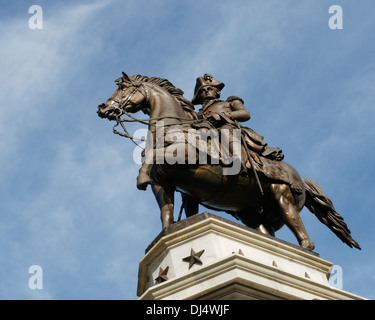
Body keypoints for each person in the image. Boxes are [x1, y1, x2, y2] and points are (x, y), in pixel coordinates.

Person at [191, 74, 284, 167]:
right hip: (208, 131)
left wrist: (222, 116)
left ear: (217, 92)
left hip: (229, 127)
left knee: (225, 130)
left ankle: (238, 160)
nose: (207, 92)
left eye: (210, 89)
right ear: (200, 96)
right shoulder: (197, 113)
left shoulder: (230, 102)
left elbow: (245, 114)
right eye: (203, 91)